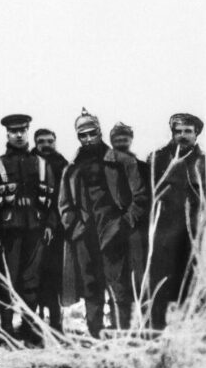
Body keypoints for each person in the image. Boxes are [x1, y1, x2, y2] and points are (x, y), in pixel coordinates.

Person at [59, 109, 147, 337]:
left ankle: (122, 334)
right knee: (91, 286)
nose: (88, 138)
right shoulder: (71, 168)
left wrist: (125, 224)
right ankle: (95, 333)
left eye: (92, 133)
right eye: (83, 135)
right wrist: (75, 228)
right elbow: (64, 205)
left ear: (100, 131)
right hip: (85, 236)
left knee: (119, 286)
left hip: (114, 232)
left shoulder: (122, 161)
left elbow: (140, 197)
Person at [0, 114, 55, 340]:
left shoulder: (42, 164)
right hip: (8, 233)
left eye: (23, 130)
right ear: (7, 134)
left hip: (36, 230)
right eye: (14, 131)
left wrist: (50, 225)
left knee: (31, 280)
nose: (19, 134)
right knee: (7, 279)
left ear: (27, 131)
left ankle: (29, 327)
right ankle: (6, 329)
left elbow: (53, 197)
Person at [148, 113, 205, 329]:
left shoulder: (203, 163)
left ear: (196, 133)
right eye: (178, 131)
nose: (182, 136)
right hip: (161, 233)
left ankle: (188, 334)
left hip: (192, 234)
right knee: (158, 285)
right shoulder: (158, 159)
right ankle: (155, 331)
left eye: (187, 131)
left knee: (190, 284)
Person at [30, 128, 68, 330]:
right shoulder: (29, 162)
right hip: (32, 228)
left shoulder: (63, 165)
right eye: (41, 141)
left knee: (53, 277)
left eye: (50, 141)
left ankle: (55, 323)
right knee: (33, 276)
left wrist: (54, 224)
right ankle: (33, 323)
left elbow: (64, 197)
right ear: (35, 142)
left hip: (57, 230)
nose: (46, 144)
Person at [110, 122, 149, 293]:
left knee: (137, 265)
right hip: (111, 225)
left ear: (131, 140)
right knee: (116, 269)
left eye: (124, 139)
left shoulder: (142, 167)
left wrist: (130, 219)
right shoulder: (106, 166)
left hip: (136, 224)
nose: (121, 143)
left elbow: (145, 195)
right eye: (117, 140)